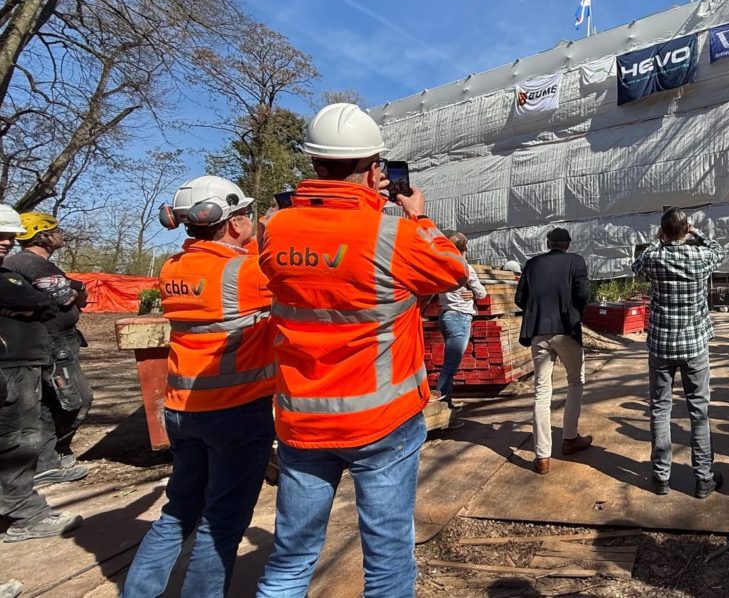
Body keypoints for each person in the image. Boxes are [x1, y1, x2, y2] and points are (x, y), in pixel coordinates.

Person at [255, 103, 468, 597]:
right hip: (382, 421)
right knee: (388, 558)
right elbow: (452, 270)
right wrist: (419, 216)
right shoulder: (394, 235)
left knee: (290, 560)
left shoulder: (275, 231)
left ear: (313, 164)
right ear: (375, 170)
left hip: (301, 421)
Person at [123, 177, 277, 598]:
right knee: (221, 524)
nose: (250, 222)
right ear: (230, 224)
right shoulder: (245, 272)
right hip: (236, 412)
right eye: (245, 215)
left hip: (182, 409)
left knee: (178, 513)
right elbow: (288, 277)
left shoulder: (171, 268)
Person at [0, 203, 82, 543]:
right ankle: (24, 514)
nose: (6, 242)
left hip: (23, 361)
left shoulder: (9, 272)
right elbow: (53, 299)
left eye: (9, 236)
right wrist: (36, 300)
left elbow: (49, 298)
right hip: (13, 367)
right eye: (2, 236)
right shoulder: (22, 269)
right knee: (19, 438)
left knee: (23, 431)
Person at [633, 208, 726, 498]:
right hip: (694, 345)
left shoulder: (655, 257)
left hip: (661, 344)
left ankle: (661, 477)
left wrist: (659, 240)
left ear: (663, 231)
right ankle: (703, 479)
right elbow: (718, 251)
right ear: (685, 229)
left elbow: (637, 266)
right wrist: (695, 232)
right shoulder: (700, 258)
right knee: (699, 412)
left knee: (660, 409)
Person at [5, 212, 91, 487]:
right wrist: (78, 288)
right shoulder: (31, 263)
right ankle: (47, 461)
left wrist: (76, 290)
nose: (60, 234)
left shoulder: (32, 263)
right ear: (43, 235)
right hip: (54, 343)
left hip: (57, 340)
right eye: (55, 230)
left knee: (53, 400)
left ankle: (48, 458)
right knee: (74, 400)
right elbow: (67, 298)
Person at [515, 228, 593, 475]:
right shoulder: (575, 261)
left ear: (548, 243)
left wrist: (538, 309)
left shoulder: (532, 264)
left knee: (541, 390)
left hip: (538, 331)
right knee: (575, 382)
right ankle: (569, 439)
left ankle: (542, 456)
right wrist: (574, 313)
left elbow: (520, 298)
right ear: (568, 244)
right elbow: (583, 294)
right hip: (567, 329)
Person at [434, 232, 487, 409]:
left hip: (445, 315)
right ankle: (441, 404)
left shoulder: (440, 267)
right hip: (459, 316)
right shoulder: (465, 267)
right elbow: (481, 293)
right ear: (466, 248)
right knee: (451, 365)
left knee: (450, 362)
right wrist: (474, 293)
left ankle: (446, 399)